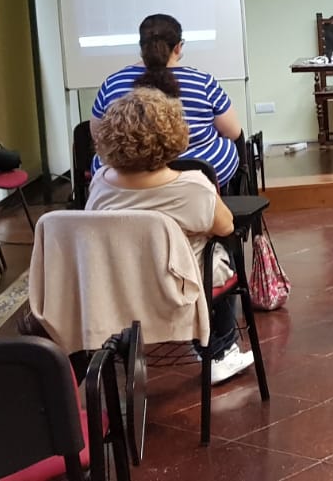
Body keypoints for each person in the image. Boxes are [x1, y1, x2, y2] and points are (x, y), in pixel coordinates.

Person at [88, 87, 256, 382]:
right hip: (178, 287)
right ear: (173, 133)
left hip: (119, 285)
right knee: (222, 253)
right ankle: (220, 350)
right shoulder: (191, 185)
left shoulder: (101, 183)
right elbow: (226, 226)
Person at [91, 14, 241, 187]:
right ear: (178, 47)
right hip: (192, 171)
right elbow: (233, 132)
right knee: (228, 146)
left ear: (141, 47)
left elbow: (98, 134)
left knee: (101, 159)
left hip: (129, 173)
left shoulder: (113, 83)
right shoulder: (203, 82)